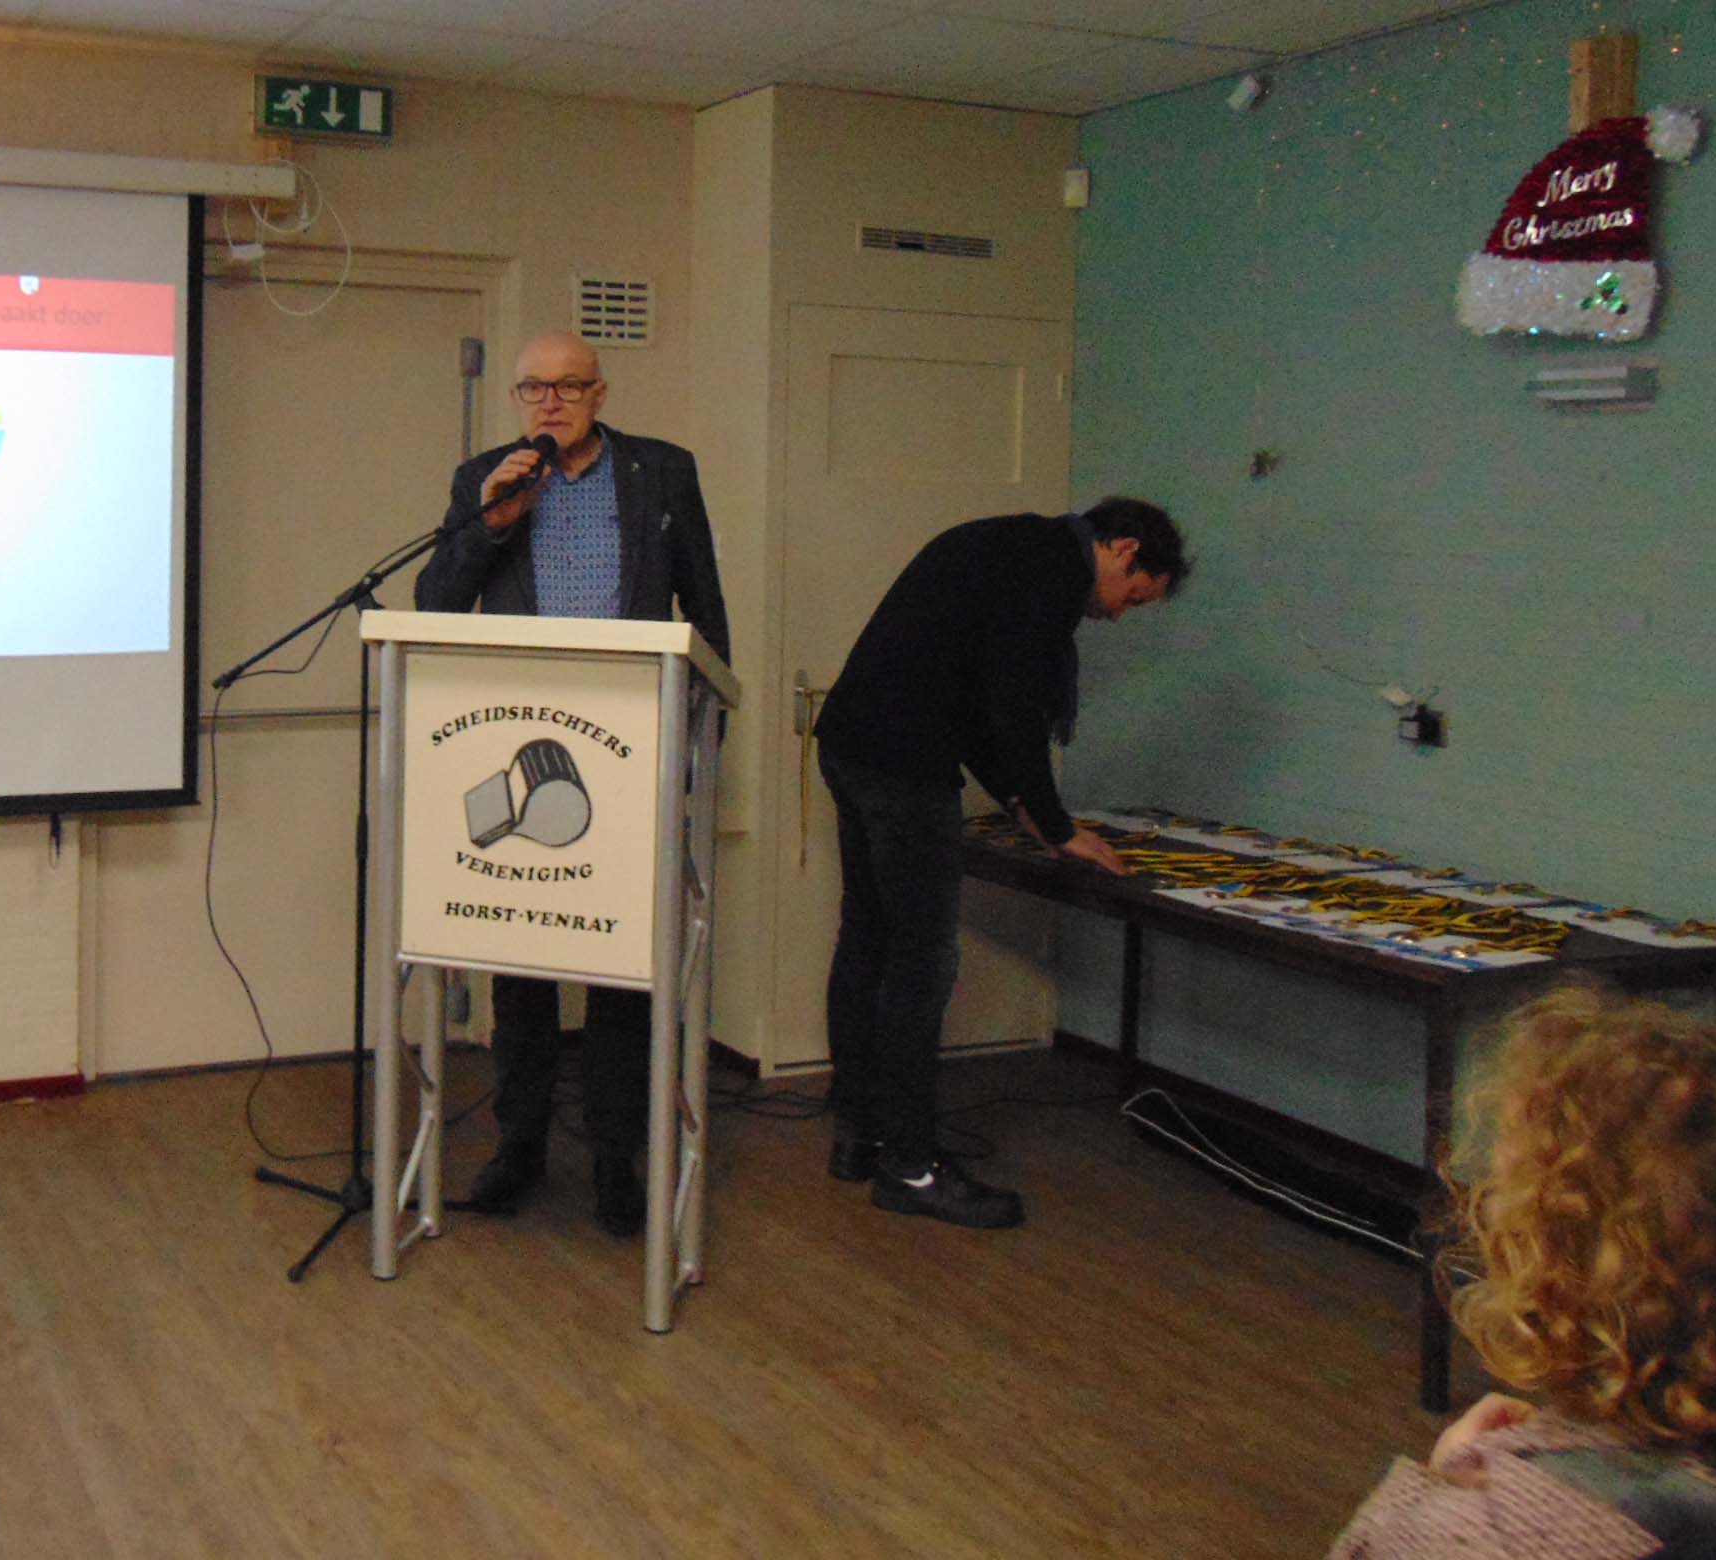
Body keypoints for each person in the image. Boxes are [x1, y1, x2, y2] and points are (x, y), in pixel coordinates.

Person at [414, 330, 728, 1239]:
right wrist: (494, 522)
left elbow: (705, 606)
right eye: (533, 389)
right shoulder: (486, 477)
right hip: (522, 739)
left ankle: (615, 1157)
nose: (550, 402)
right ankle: (519, 1145)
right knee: (521, 965)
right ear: (517, 398)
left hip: (634, 744)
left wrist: (706, 738)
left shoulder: (662, 472)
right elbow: (437, 602)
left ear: (600, 393)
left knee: (627, 966)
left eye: (568, 387)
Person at [812, 497, 1187, 1230]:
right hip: (905, 768)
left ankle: (861, 1136)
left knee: (868, 941)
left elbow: (976, 698)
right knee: (922, 961)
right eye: (1134, 596)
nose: (1119, 615)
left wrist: (1024, 805)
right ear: (1124, 549)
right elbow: (1011, 705)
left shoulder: (1012, 545)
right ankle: (911, 1167)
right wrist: (1056, 824)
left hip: (853, 746)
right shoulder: (1050, 572)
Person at [1330, 984, 1716, 1557]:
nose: (1487, 1207)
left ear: (1561, 1253)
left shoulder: (1500, 1533)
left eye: (1508, 1189)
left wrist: (1440, 1484)